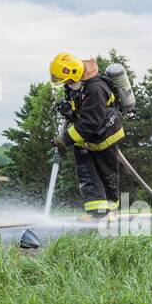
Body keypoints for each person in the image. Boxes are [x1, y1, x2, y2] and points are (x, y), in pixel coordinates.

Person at [48, 52, 125, 219]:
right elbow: (82, 107)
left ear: (75, 74)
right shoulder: (78, 84)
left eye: (67, 81)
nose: (66, 84)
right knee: (88, 176)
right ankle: (97, 214)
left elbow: (90, 123)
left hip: (103, 139)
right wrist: (69, 109)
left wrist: (64, 140)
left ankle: (108, 214)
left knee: (106, 177)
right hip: (86, 140)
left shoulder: (95, 89)